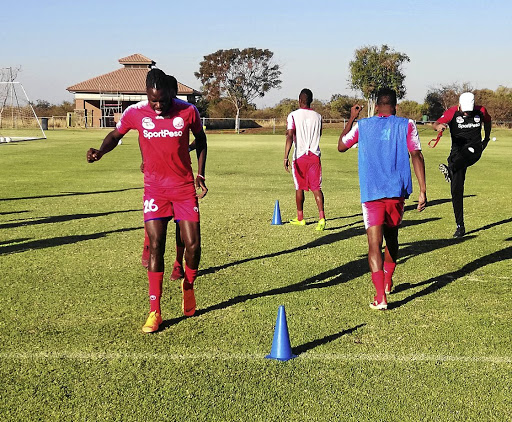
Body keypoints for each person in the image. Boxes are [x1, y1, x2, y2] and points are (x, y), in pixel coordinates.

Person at [87, 68, 207, 333]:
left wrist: (200, 173)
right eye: (153, 100)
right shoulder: (135, 113)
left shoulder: (187, 111)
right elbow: (115, 136)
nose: (158, 105)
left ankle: (188, 285)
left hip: (184, 188)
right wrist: (101, 152)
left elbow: (201, 139)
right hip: (155, 191)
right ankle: (155, 311)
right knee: (156, 247)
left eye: (162, 100)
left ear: (170, 94)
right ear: (146, 94)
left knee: (194, 246)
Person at [338, 88, 427, 310]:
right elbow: (416, 154)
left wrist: (351, 118)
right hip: (397, 192)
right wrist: (423, 190)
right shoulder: (407, 124)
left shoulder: (363, 125)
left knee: (374, 244)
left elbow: (341, 146)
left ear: (376, 106)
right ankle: (388, 281)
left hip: (372, 193)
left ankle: (380, 297)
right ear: (395, 106)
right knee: (392, 239)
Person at [141, 75, 192, 283]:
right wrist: (145, 159)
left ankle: (178, 262)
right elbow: (143, 137)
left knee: (182, 225)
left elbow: (196, 139)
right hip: (158, 182)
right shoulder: (146, 113)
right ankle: (148, 247)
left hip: (180, 181)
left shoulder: (183, 112)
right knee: (156, 224)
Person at [433, 92, 492, 238]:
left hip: (474, 149)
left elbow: (488, 122)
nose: (466, 112)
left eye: (469, 110)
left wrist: (487, 138)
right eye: (464, 109)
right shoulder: (452, 112)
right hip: (457, 154)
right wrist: (439, 127)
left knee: (468, 151)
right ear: (459, 105)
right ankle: (460, 226)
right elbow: (435, 124)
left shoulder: (481, 111)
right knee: (456, 191)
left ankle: (451, 169)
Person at [284, 88, 326, 231]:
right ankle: (321, 219)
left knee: (299, 187)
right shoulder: (318, 116)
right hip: (314, 155)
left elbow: (290, 135)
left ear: (299, 100)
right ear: (311, 101)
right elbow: (319, 134)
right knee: (316, 187)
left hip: (300, 155)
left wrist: (285, 156)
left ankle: (300, 218)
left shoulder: (293, 115)